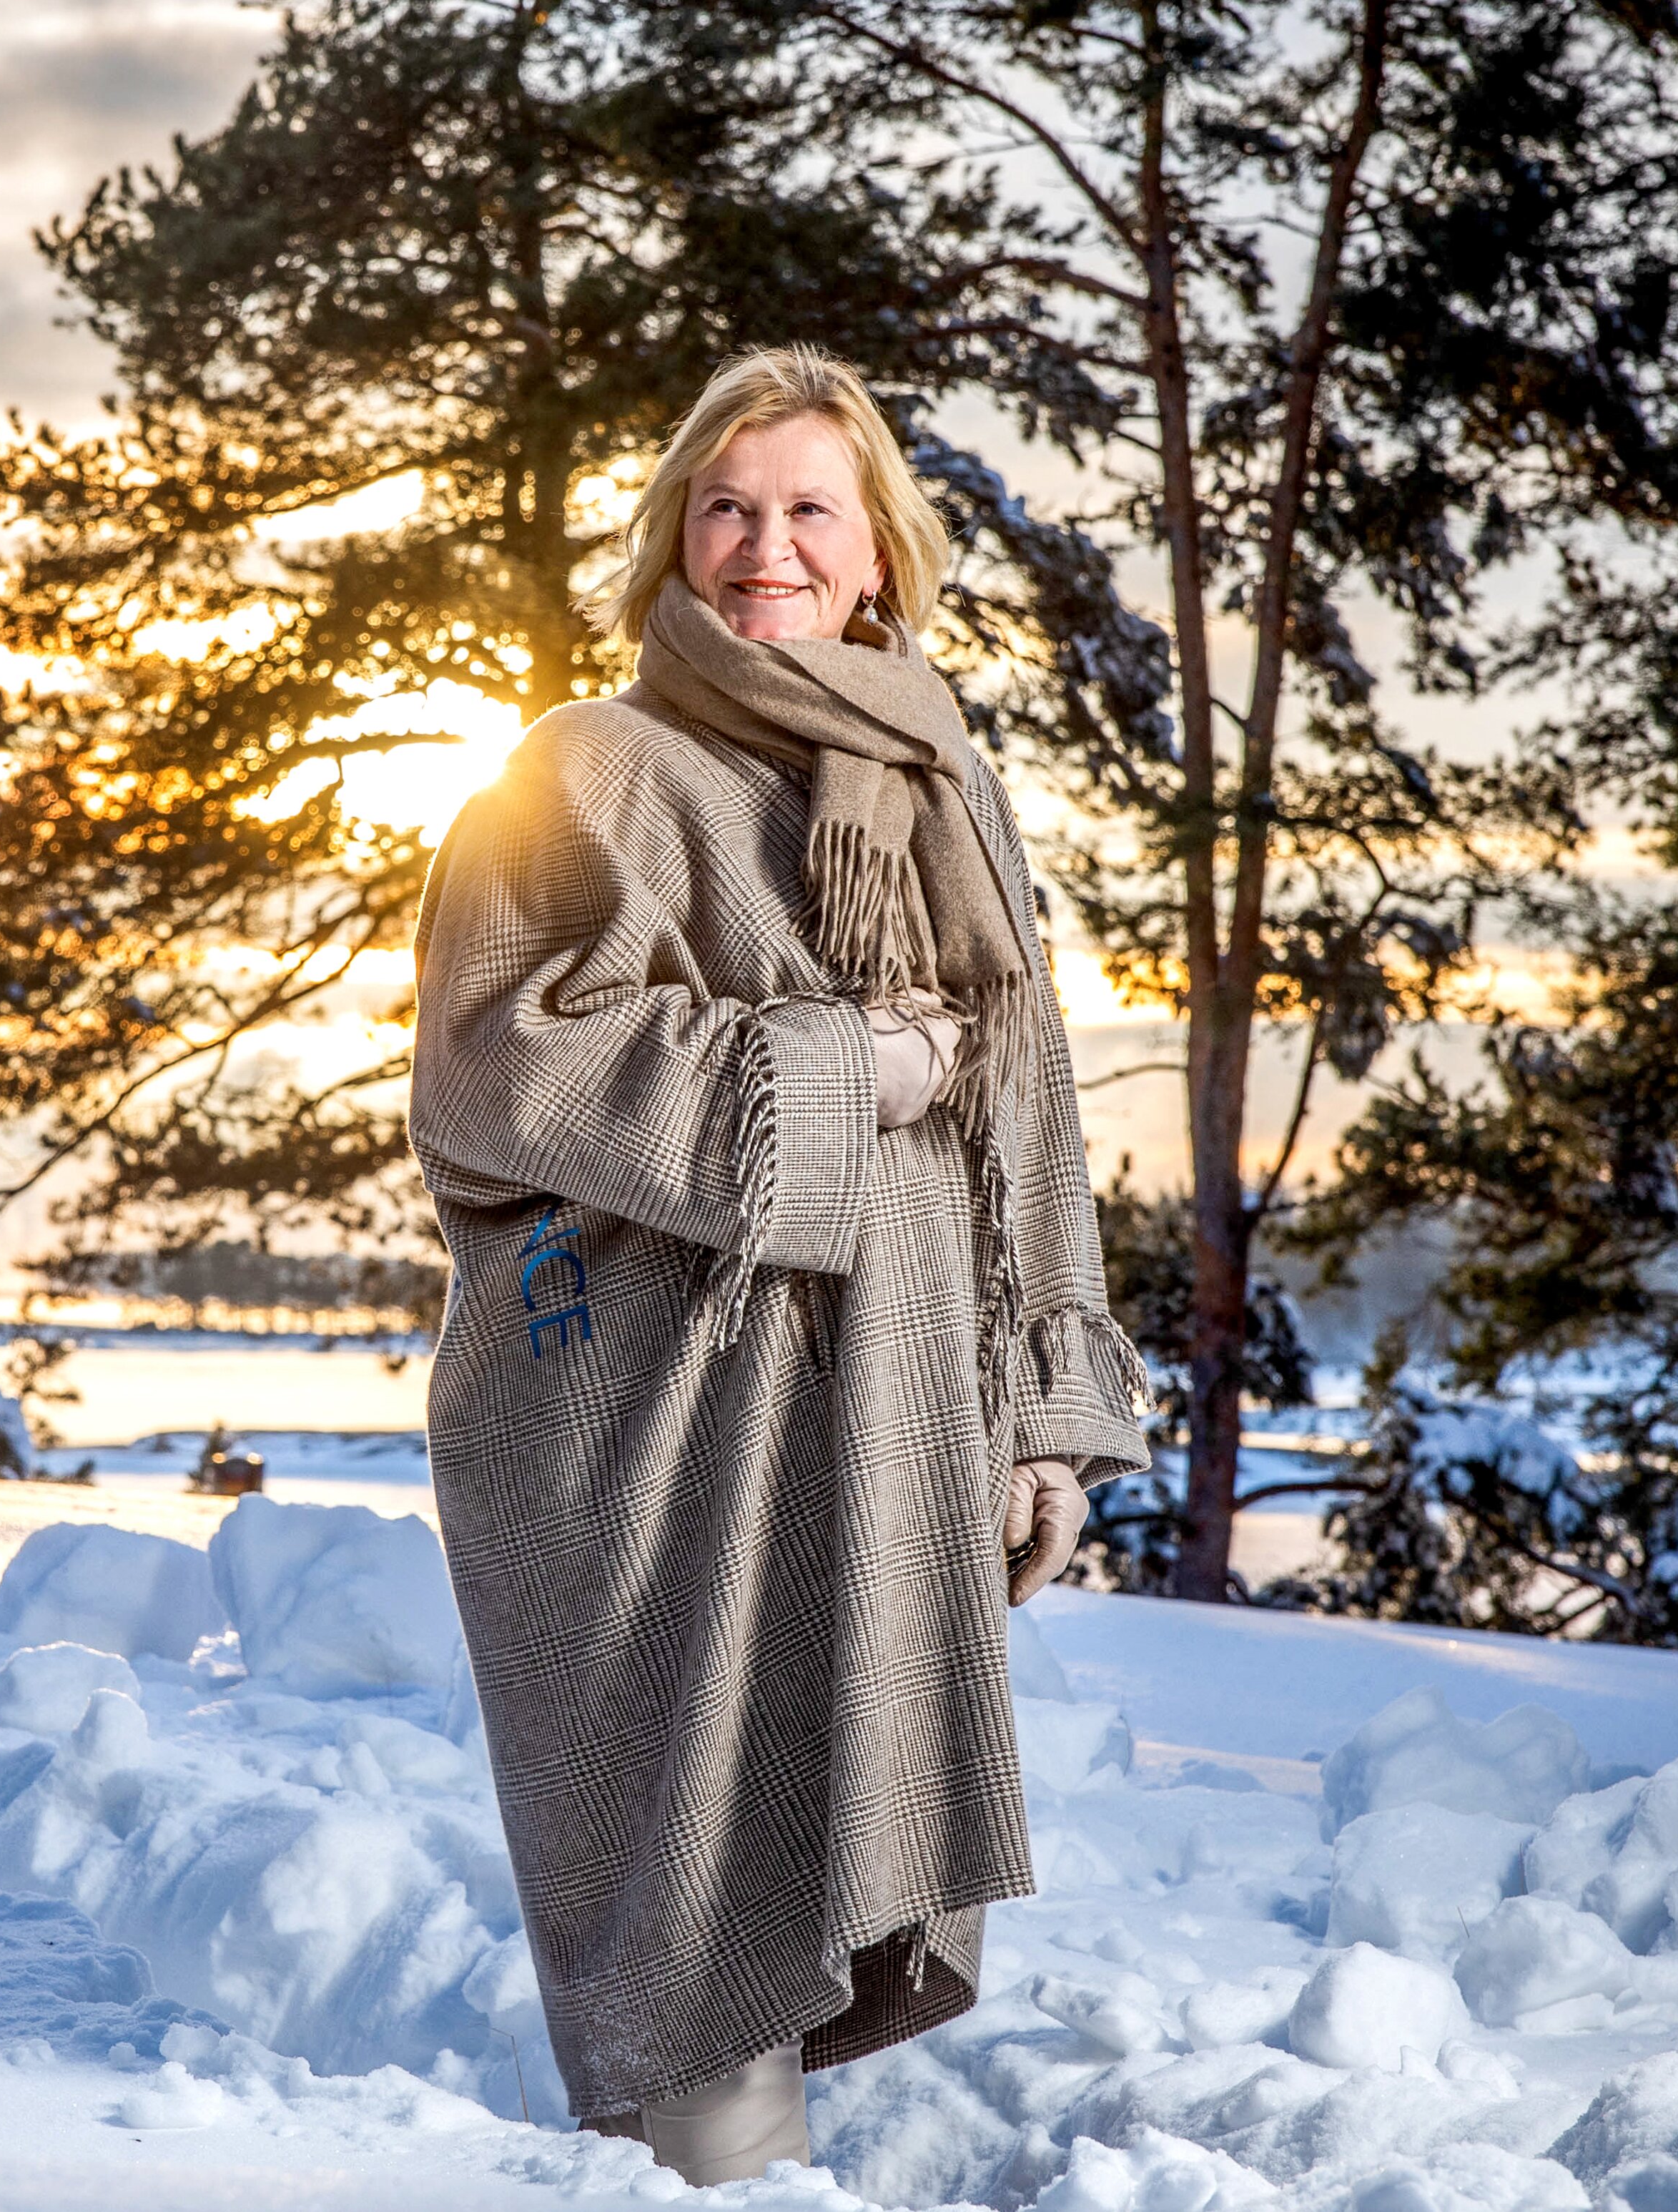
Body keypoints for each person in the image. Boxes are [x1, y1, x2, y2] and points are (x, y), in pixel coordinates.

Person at [408, 345, 1153, 2185]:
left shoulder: (948, 789)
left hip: (892, 1400)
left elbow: (1027, 1115)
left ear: (876, 548)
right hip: (652, 1412)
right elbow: (493, 1057)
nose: (764, 547)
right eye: (725, 508)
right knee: (698, 1875)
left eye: (807, 507)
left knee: (818, 1841)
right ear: (675, 536)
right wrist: (836, 1069)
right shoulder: (585, 766)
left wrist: (1042, 1410)